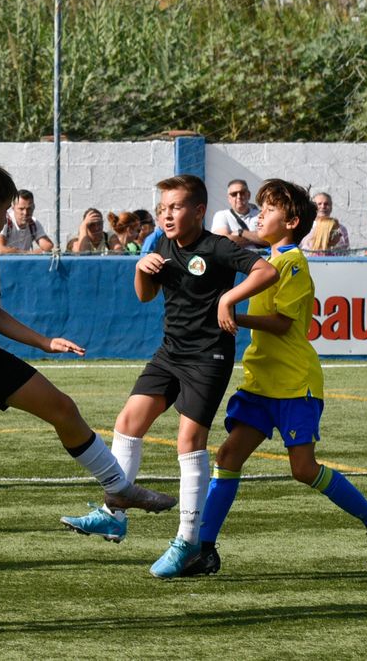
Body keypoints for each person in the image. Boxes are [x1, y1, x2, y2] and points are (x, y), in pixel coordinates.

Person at [0, 153, 178, 613]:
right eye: (3, 211)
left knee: (61, 406)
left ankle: (116, 488)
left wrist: (43, 341)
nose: (5, 221)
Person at [166, 179, 367, 578]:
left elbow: (281, 322)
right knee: (227, 457)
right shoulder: (266, 261)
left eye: (269, 209)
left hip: (293, 383)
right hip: (261, 379)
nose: (259, 214)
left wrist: (232, 314)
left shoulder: (293, 262)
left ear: (290, 221)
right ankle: (204, 549)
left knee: (303, 469)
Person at [59, 174, 277, 562]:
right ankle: (114, 514)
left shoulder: (218, 247)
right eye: (162, 209)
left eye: (175, 207)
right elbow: (146, 296)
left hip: (208, 356)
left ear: (198, 210)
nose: (167, 215)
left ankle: (188, 542)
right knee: (128, 422)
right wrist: (141, 268)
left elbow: (266, 271)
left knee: (188, 443)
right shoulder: (161, 243)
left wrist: (228, 300)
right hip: (170, 352)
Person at [0, 190, 55, 254]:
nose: (25, 213)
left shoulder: (33, 223)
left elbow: (49, 246)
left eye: (29, 209)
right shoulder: (5, 221)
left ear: (33, 207)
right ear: (13, 207)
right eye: (21, 209)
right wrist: (28, 253)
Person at [210, 179, 266, 248]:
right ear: (229, 198)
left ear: (248, 195)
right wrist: (256, 238)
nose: (239, 197)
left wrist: (241, 233)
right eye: (234, 194)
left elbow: (270, 239)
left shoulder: (261, 214)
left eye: (242, 192)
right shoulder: (222, 215)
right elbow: (222, 242)